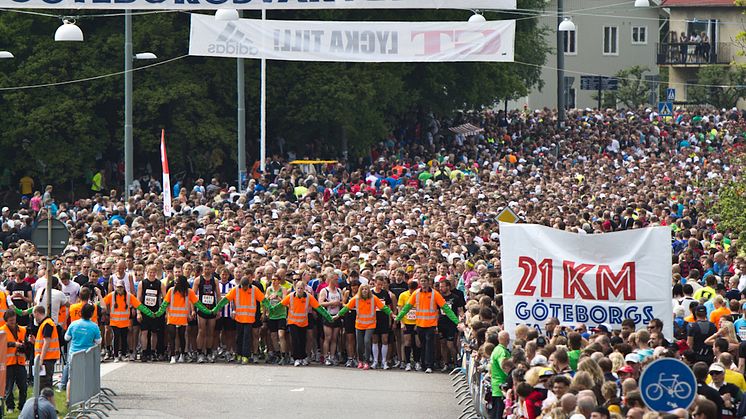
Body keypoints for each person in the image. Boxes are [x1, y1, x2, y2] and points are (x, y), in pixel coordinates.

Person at [395, 276, 459, 373]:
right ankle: (424, 365)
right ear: (420, 283)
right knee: (422, 344)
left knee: (429, 344)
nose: (424, 283)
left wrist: (456, 321)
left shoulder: (435, 294)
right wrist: (398, 318)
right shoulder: (416, 294)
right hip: (420, 324)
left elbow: (446, 309)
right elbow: (407, 307)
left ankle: (429, 365)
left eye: (425, 281)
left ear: (429, 282)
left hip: (431, 324)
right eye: (422, 281)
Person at [333, 283, 393, 370]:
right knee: (359, 344)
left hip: (370, 324)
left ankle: (367, 361)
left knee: (367, 341)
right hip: (359, 324)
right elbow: (346, 308)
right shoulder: (356, 299)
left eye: (366, 289)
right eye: (363, 289)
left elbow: (384, 307)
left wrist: (391, 314)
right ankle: (360, 360)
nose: (364, 291)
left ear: (369, 290)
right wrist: (337, 315)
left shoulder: (374, 298)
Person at [155, 275, 211, 364]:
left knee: (182, 337)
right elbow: (164, 304)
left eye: (177, 281)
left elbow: (197, 304)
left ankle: (182, 354)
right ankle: (173, 356)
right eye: (175, 281)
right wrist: (158, 313)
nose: (175, 283)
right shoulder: (171, 290)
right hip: (172, 318)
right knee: (172, 337)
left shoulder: (189, 292)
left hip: (182, 318)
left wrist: (208, 311)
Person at [274, 281, 332, 367]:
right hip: (292, 322)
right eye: (298, 288)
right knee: (295, 340)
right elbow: (280, 304)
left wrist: (328, 316)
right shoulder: (290, 296)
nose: (300, 290)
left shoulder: (309, 297)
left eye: (301, 288)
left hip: (303, 323)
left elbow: (318, 307)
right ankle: (296, 358)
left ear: (304, 289)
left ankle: (303, 357)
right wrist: (271, 309)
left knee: (302, 340)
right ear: (295, 288)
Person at [212, 276, 268, 364]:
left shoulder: (254, 290)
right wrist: (216, 308)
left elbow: (264, 300)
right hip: (239, 318)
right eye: (242, 287)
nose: (244, 289)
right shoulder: (235, 290)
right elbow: (225, 300)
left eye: (245, 287)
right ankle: (238, 354)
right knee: (239, 337)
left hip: (249, 319)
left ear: (248, 285)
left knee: (247, 337)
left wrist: (270, 308)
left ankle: (245, 356)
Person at [101, 279, 152, 362]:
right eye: (117, 287)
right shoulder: (111, 295)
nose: (119, 289)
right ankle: (116, 355)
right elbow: (102, 303)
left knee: (124, 338)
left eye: (121, 287)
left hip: (125, 322)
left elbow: (139, 305)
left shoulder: (129, 296)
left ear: (124, 287)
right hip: (114, 321)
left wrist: (150, 313)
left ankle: (124, 354)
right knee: (116, 337)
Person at [62, 304, 102, 394]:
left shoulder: (74, 324)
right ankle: (85, 398)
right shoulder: (94, 326)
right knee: (86, 378)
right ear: (91, 314)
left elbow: (66, 338)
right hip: (87, 355)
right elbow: (98, 341)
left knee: (71, 378)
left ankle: (69, 399)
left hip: (73, 354)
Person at [193, 262, 220, 363]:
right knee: (201, 331)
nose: (207, 270)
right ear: (203, 269)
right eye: (205, 268)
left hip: (212, 308)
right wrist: (193, 310)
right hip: (201, 308)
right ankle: (200, 353)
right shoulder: (198, 280)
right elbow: (193, 295)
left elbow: (218, 295)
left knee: (211, 331)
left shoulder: (215, 280)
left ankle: (209, 352)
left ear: (211, 269)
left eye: (208, 268)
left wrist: (218, 309)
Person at [137, 265, 165, 362]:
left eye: (154, 272)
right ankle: (145, 352)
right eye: (150, 272)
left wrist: (162, 311)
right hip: (145, 310)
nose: (152, 274)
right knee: (144, 332)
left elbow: (165, 299)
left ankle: (153, 352)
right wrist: (138, 312)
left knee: (154, 332)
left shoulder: (159, 283)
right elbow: (139, 299)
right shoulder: (142, 283)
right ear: (147, 272)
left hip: (155, 311)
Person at [2, 310, 28, 414]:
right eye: (10, 321)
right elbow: (2, 344)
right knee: (9, 387)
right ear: (6, 321)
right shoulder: (2, 331)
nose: (13, 322)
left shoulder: (22, 330)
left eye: (14, 320)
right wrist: (13, 344)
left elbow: (27, 345)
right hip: (8, 363)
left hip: (20, 362)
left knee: (23, 386)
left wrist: (25, 345)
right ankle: (10, 407)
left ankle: (22, 406)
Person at [318, 271, 343, 366]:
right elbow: (320, 303)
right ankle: (325, 356)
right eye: (336, 279)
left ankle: (332, 356)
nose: (337, 281)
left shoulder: (339, 291)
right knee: (327, 337)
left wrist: (339, 303)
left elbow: (341, 301)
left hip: (337, 315)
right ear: (331, 280)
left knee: (334, 338)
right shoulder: (325, 291)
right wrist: (331, 303)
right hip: (328, 315)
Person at [33, 306, 59, 391]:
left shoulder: (47, 324)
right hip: (47, 357)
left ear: (37, 313)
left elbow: (47, 342)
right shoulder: (46, 323)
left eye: (34, 315)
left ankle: (45, 402)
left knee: (44, 384)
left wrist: (41, 359)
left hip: (47, 358)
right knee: (44, 383)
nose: (34, 318)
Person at [398, 279, 419, 371]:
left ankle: (417, 362)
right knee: (407, 342)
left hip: (417, 323)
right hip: (406, 322)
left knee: (417, 343)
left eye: (413, 289)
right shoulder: (403, 295)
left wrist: (418, 323)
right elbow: (400, 309)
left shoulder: (419, 295)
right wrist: (402, 323)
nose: (412, 291)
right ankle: (407, 363)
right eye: (410, 289)